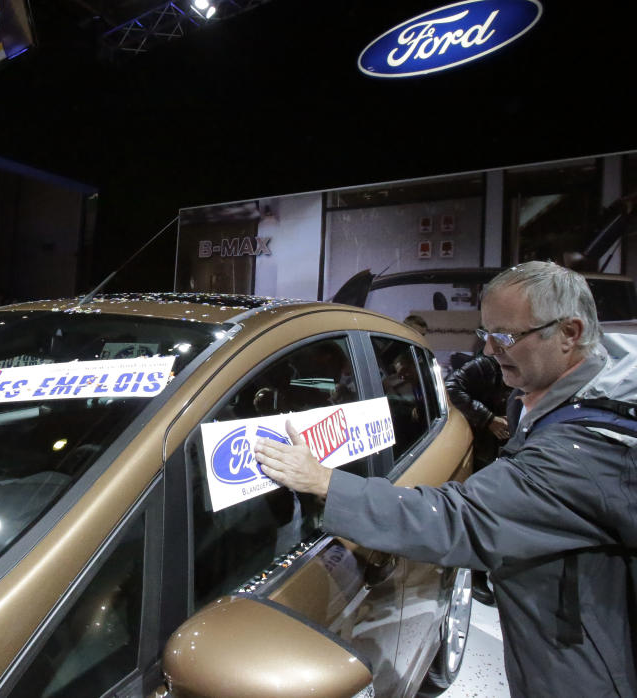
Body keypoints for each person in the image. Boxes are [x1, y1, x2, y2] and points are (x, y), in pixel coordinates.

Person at [254, 261, 637, 697]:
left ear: (569, 333)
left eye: (506, 336)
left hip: (589, 668)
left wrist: (325, 482)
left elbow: (463, 517)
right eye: (485, 333)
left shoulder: (588, 447)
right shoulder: (554, 397)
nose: (490, 350)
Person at [445, 352, 512, 605]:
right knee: (479, 510)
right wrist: (488, 419)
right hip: (481, 447)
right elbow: (451, 387)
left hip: (507, 448)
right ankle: (475, 575)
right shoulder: (486, 366)